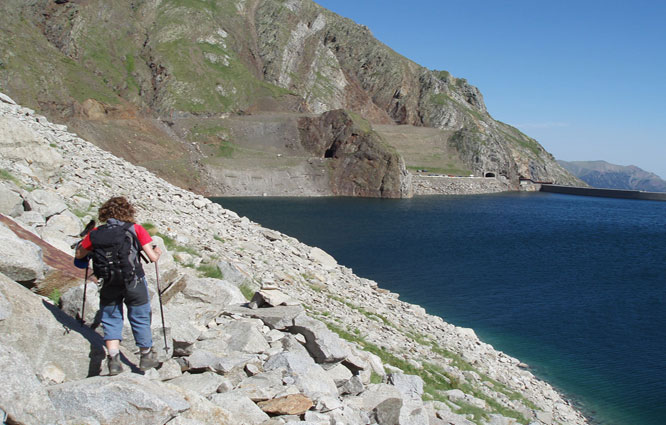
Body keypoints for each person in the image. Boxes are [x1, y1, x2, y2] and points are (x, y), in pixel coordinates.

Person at [75, 196, 162, 375]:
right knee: (140, 316)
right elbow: (152, 258)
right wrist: (157, 252)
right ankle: (145, 356)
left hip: (108, 282)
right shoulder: (135, 229)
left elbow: (79, 255)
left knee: (111, 318)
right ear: (128, 212)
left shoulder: (96, 233)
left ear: (105, 213)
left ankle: (113, 360)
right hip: (134, 281)